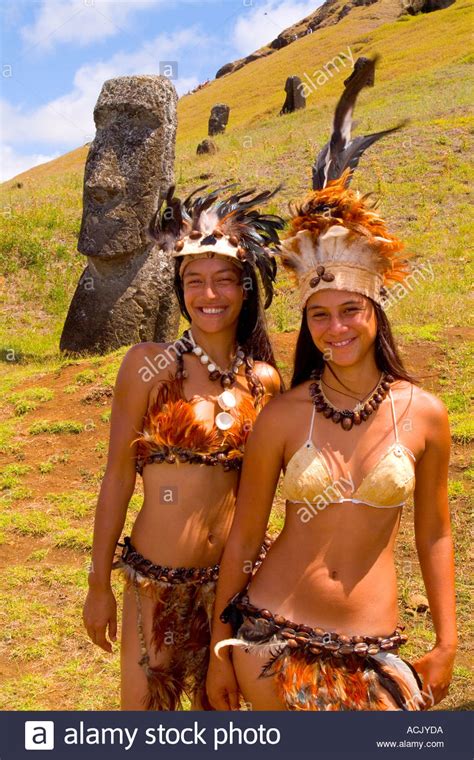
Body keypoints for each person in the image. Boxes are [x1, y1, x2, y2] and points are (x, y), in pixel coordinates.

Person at [207, 60, 456, 711]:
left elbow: (433, 531)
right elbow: (244, 537)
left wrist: (450, 640)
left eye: (350, 309)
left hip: (374, 654)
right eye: (319, 314)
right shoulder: (286, 416)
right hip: (269, 644)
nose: (335, 326)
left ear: (376, 310)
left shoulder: (424, 414)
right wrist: (219, 650)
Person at [83, 183, 284, 710]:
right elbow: (117, 480)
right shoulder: (147, 367)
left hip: (235, 588)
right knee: (147, 721)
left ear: (245, 289)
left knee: (219, 718)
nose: (209, 294)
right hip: (154, 585)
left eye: (222, 281)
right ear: (180, 290)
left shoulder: (264, 382)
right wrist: (98, 584)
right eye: (194, 281)